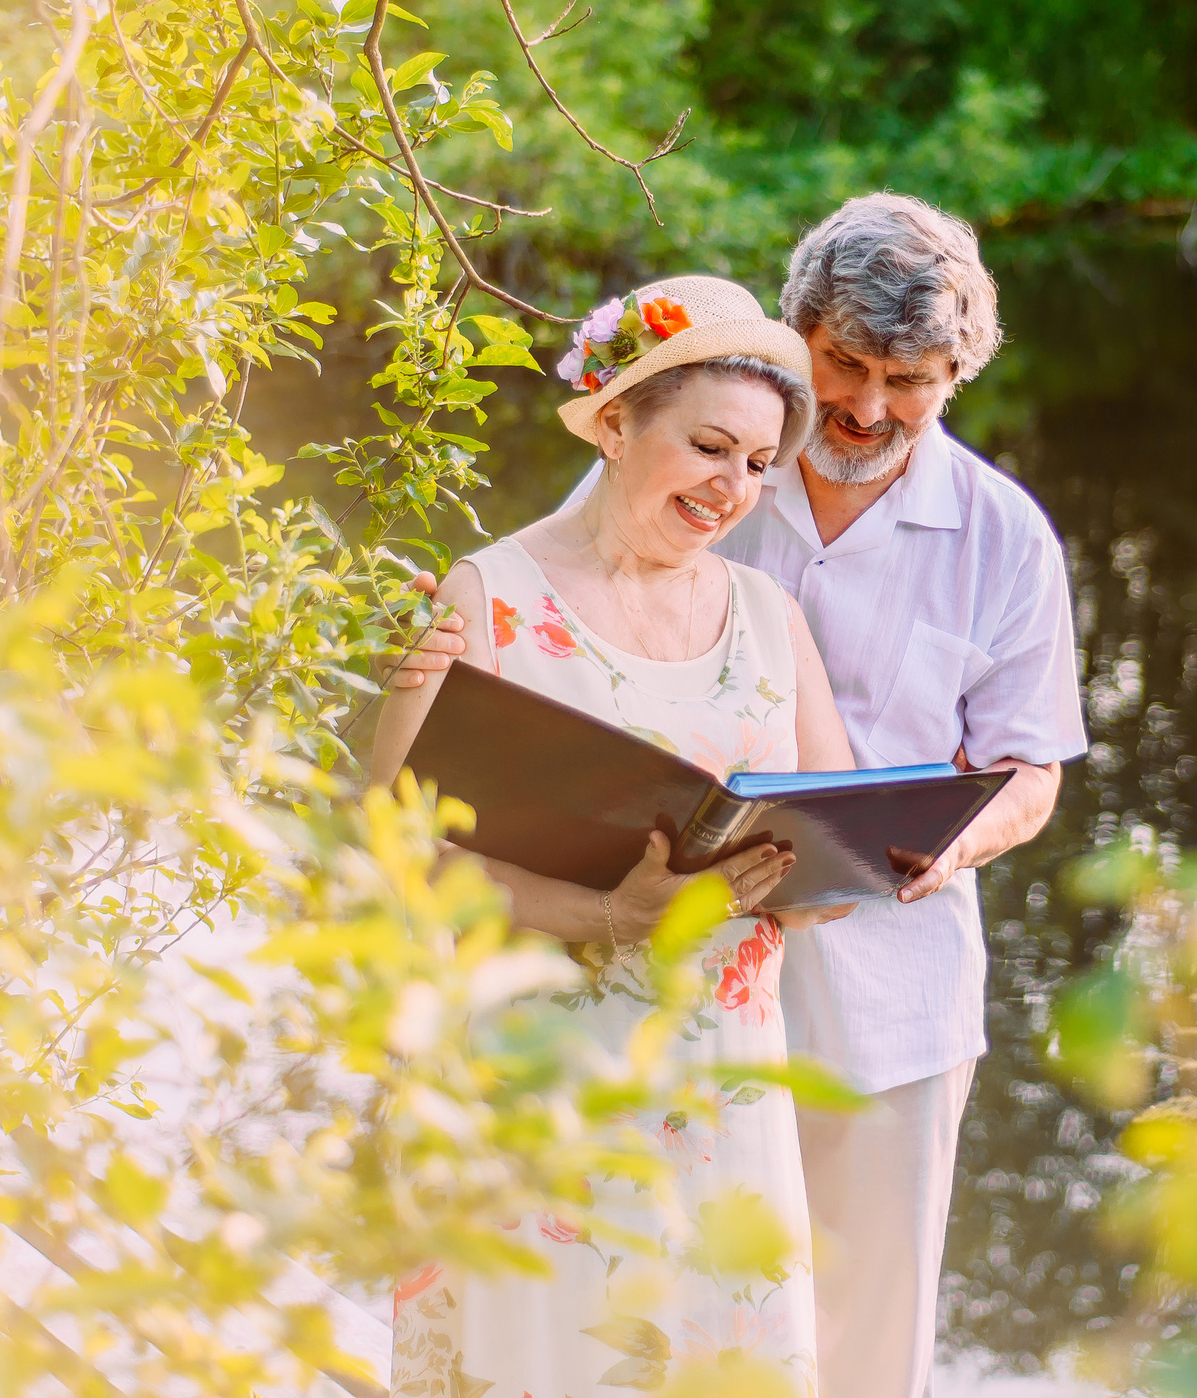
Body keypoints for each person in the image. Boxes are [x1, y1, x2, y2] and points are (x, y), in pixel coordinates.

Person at [391, 197, 1087, 1398]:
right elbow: (542, 605)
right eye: (847, 365)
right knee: (626, 1315)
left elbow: (1031, 766)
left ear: (958, 374)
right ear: (795, 332)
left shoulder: (1001, 535)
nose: (867, 407)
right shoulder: (703, 448)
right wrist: (436, 648)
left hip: (882, 986)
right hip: (639, 990)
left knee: (854, 1347)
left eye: (910, 380)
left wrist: (947, 843)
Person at [367, 275, 860, 1398]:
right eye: (708, 445)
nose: (733, 486)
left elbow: (834, 846)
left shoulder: (769, 618)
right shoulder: (483, 598)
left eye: (756, 462)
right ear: (614, 420)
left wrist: (857, 865)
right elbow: (399, 857)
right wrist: (602, 912)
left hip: (721, 1090)